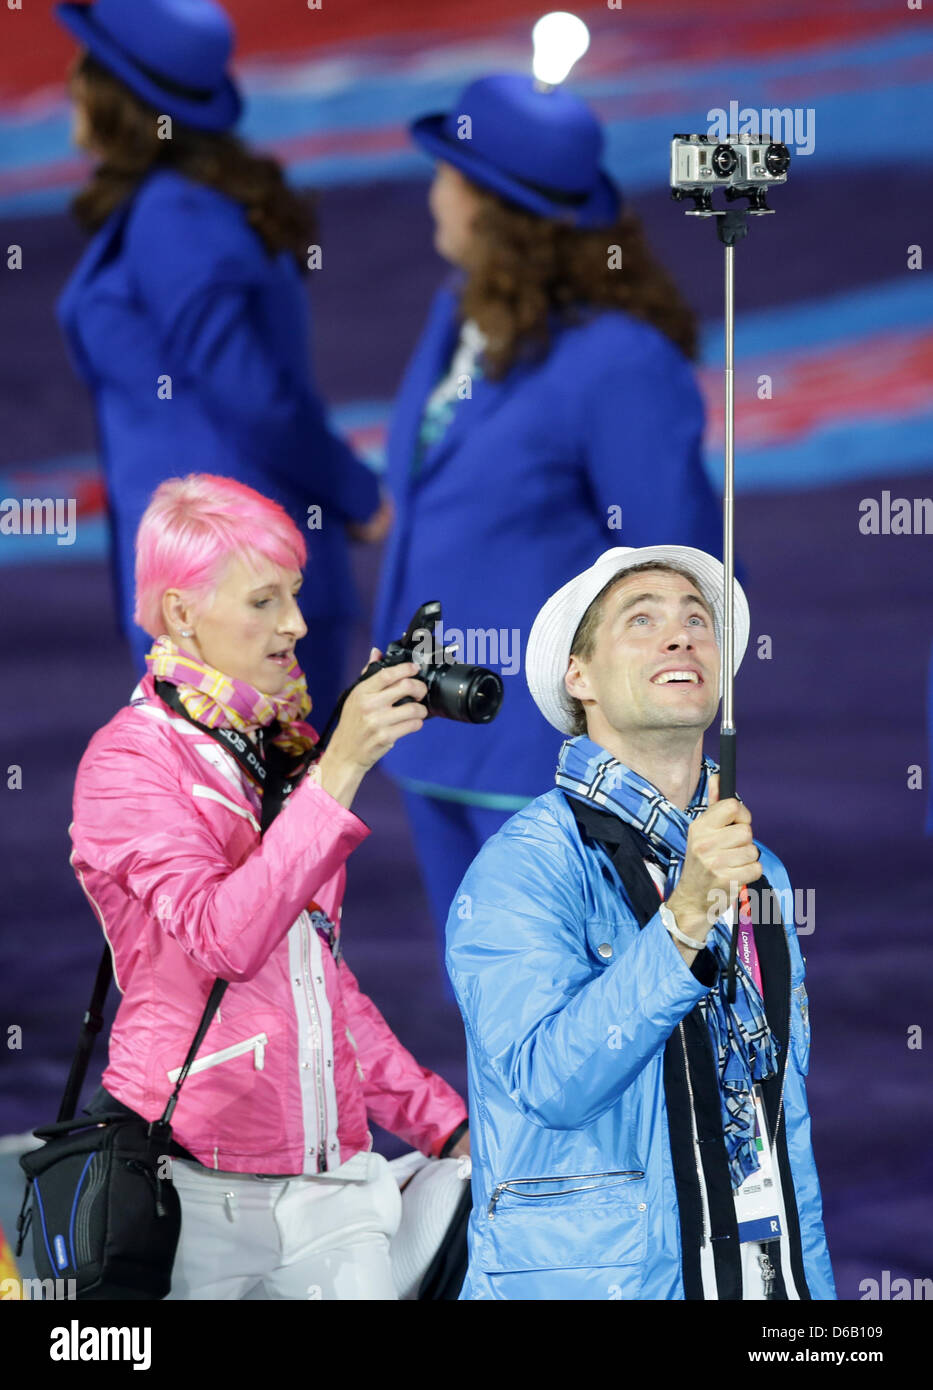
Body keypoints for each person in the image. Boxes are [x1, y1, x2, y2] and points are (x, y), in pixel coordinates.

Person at [68, 474, 468, 1300]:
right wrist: (341, 768)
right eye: (264, 600)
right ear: (182, 613)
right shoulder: (128, 762)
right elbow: (225, 939)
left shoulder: (270, 748)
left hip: (333, 1185)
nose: (297, 623)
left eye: (293, 592)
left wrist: (443, 1125)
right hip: (189, 1187)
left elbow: (317, 982)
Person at [373, 73, 723, 955]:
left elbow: (681, 564)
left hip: (547, 761)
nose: (432, 194)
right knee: (481, 998)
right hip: (435, 733)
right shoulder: (456, 311)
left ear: (491, 209)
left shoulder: (620, 362)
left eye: (446, 175)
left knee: (580, 1004)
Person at [445, 545, 835, 1300]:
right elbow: (550, 1085)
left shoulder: (758, 869)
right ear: (578, 678)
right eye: (642, 620)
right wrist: (683, 919)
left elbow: (776, 1116)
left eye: (697, 620)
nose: (680, 635)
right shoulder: (522, 868)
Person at [55, 0, 390, 721]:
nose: (69, 80)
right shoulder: (180, 204)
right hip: (217, 586)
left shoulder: (171, 216)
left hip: (229, 592)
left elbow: (252, 392)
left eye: (85, 63)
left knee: (254, 796)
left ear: (116, 94)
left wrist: (357, 493)